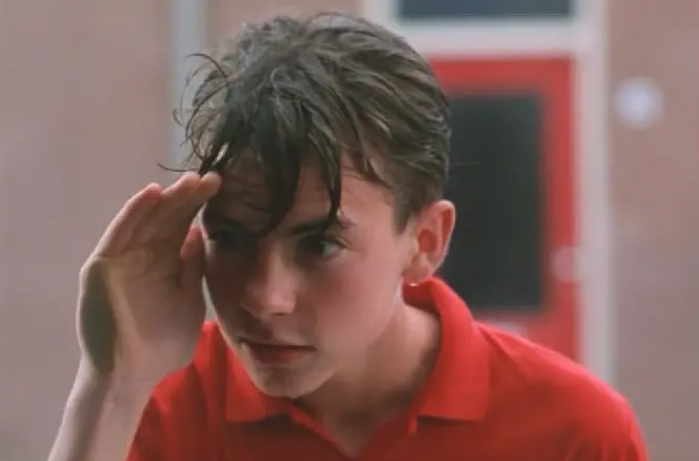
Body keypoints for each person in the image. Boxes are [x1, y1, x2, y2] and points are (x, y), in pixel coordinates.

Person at [47, 11, 649, 461]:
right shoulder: (158, 405)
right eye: (230, 238)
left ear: (426, 242)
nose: (263, 297)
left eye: (319, 245)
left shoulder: (573, 432)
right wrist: (114, 385)